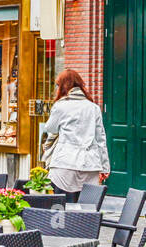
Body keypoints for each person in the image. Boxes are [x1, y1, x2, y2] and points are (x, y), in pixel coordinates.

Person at [40, 69, 110, 199]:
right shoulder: (93, 108)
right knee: (87, 211)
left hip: (64, 164)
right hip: (90, 165)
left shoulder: (60, 106)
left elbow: (51, 128)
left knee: (61, 208)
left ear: (63, 86)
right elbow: (101, 139)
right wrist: (105, 167)